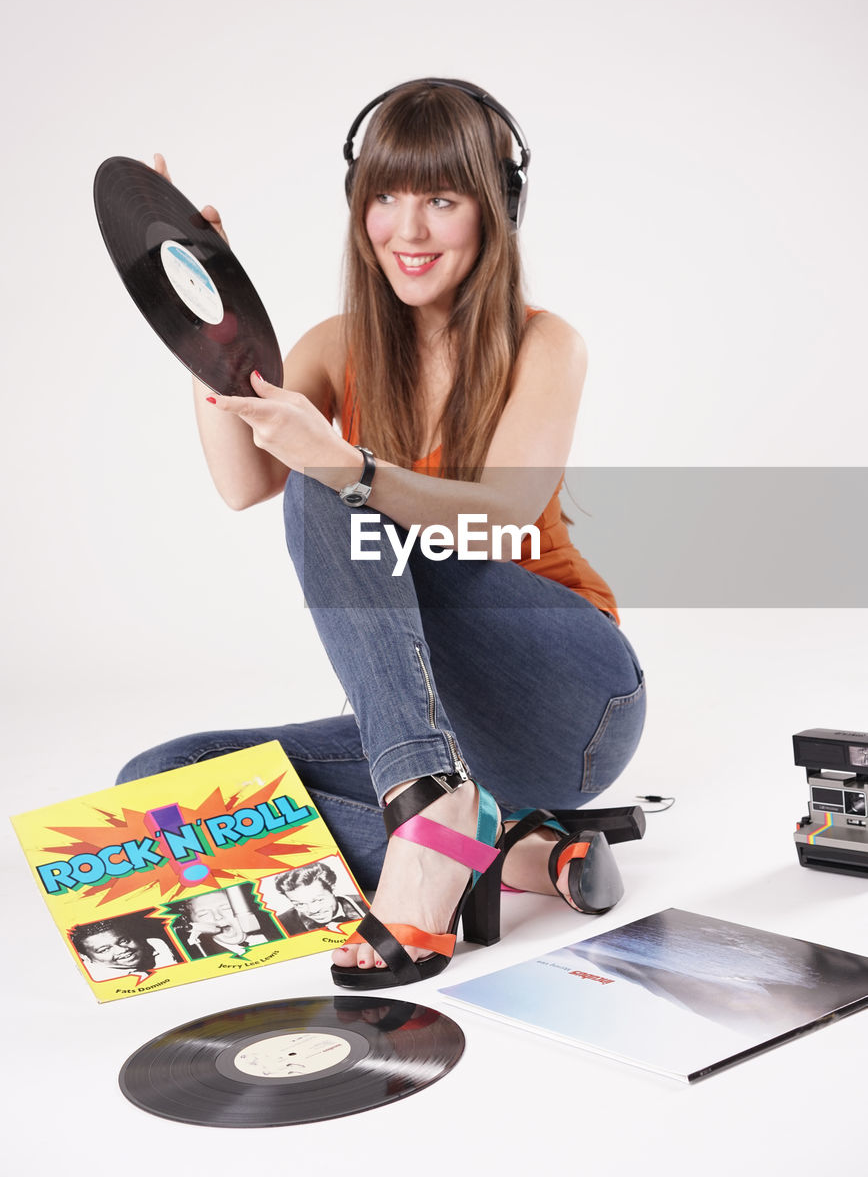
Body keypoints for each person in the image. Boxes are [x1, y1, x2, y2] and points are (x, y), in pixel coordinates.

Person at [117, 78, 646, 990]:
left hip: (570, 693)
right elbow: (242, 483)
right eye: (386, 199)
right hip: (445, 725)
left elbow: (502, 514)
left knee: (332, 489)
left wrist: (350, 468)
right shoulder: (335, 344)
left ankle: (433, 812)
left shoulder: (544, 343)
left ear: (497, 209)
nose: (408, 230)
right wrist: (207, 331)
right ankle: (509, 849)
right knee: (159, 784)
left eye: (441, 199)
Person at [273, 862, 368, 935]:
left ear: (332, 888)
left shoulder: (368, 903)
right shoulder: (280, 925)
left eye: (318, 900)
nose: (313, 910)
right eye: (300, 904)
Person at [70, 918, 178, 981]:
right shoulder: (93, 979)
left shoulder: (156, 944)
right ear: (83, 956)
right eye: (104, 950)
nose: (122, 950)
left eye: (124, 941)